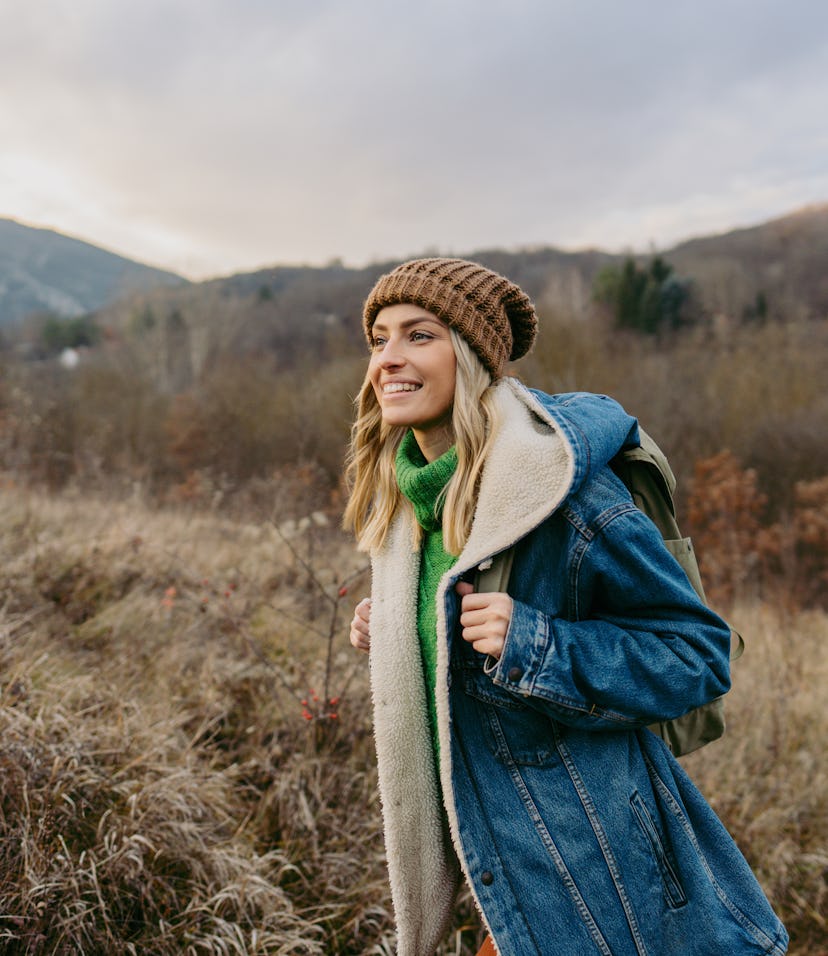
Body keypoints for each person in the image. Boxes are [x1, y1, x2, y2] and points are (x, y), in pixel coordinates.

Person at [344, 257, 788, 956]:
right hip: (501, 885)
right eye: (379, 339)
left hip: (604, 882)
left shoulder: (563, 494)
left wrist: (537, 645)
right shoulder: (406, 506)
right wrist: (404, 629)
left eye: (418, 336)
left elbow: (698, 656)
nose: (388, 359)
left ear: (471, 356)